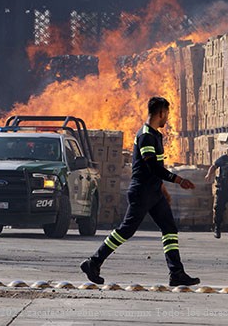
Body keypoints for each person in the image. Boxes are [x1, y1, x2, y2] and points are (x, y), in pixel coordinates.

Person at [80, 97, 200, 287]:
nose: (167, 119)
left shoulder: (156, 135)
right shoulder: (145, 136)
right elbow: (152, 166)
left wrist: (163, 191)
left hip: (154, 193)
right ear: (160, 113)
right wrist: (178, 180)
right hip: (142, 192)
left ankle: (176, 273)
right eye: (166, 114)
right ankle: (93, 262)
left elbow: (156, 168)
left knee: (169, 229)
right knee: (126, 231)